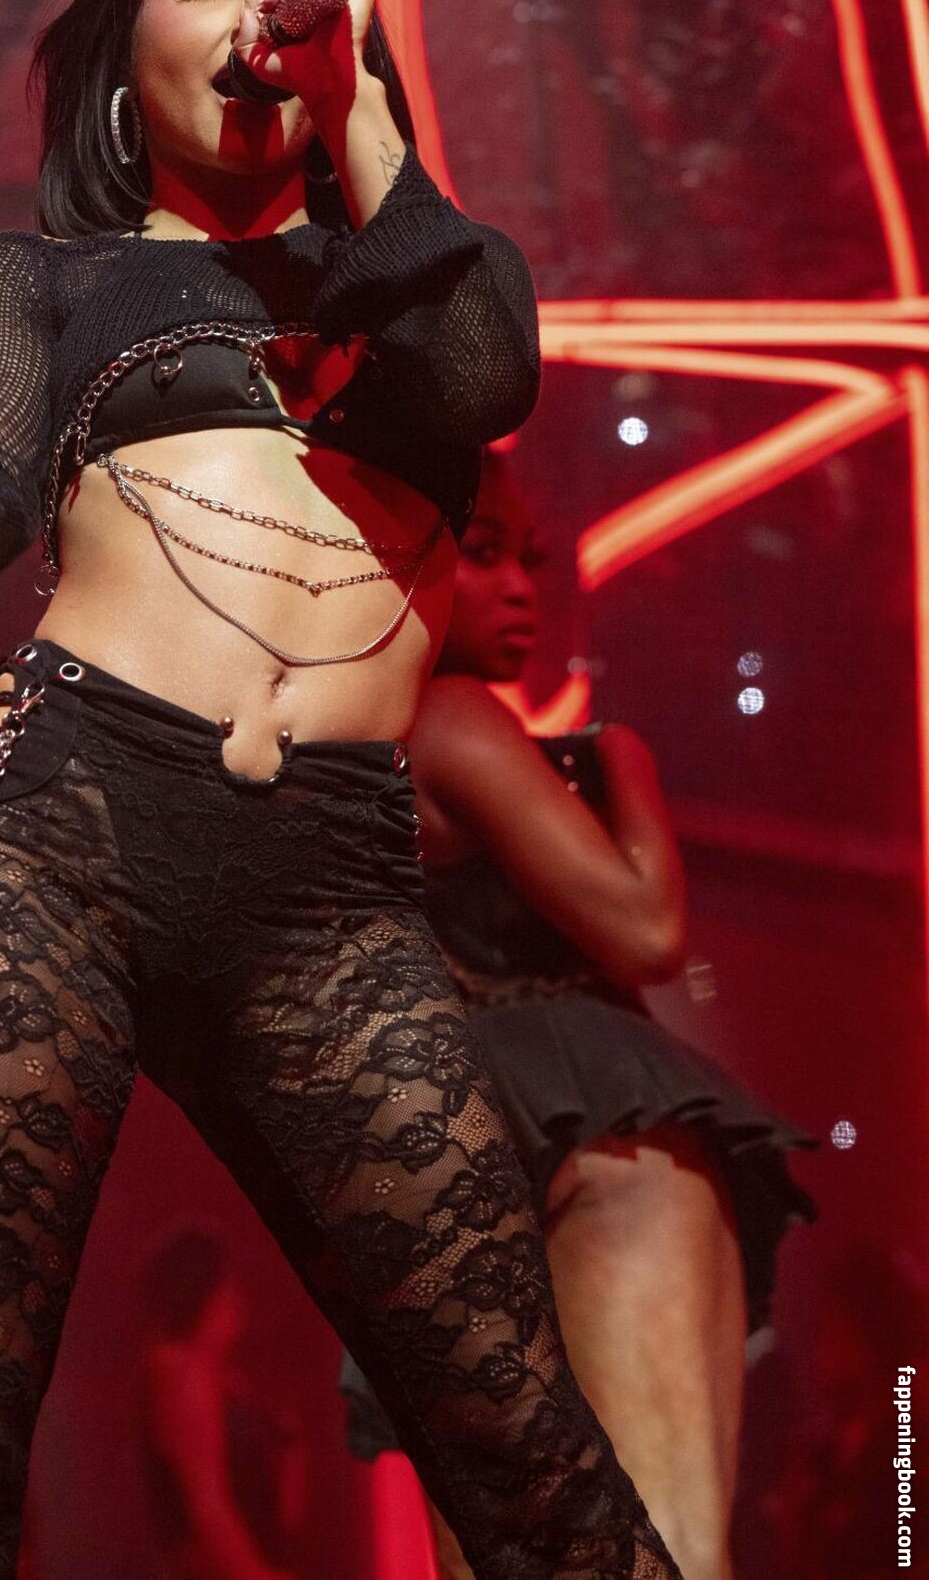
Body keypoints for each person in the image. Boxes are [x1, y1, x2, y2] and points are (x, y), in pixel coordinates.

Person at [0, 0, 682, 1580]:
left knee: (534, 1469)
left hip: (329, 900)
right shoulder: (56, 280)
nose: (256, 12)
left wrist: (353, 99)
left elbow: (485, 378)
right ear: (124, 56)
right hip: (55, 833)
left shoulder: (414, 280)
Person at [342, 449, 816, 1580]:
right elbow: (645, 933)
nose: (521, 589)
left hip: (436, 1151)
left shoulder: (338, 743)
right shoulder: (454, 714)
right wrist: (628, 768)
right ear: (405, 561)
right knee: (672, 1549)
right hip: (599, 1132)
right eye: (487, 555)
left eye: (534, 561)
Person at [138, 1226, 305, 1580]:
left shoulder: (221, 1376)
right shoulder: (181, 1374)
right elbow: (206, 1504)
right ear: (203, 1291)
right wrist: (255, 1575)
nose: (237, 1293)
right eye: (227, 1281)